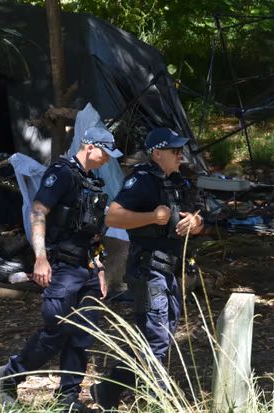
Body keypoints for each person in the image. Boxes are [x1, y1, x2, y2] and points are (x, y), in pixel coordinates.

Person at [0, 127, 123, 412]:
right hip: (62, 266)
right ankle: (10, 374)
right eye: (105, 153)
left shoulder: (92, 183)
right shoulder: (62, 174)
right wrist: (40, 258)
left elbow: (93, 232)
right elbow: (38, 211)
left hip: (88, 267)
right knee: (57, 330)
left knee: (83, 335)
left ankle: (67, 398)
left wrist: (100, 265)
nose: (107, 160)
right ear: (89, 146)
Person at [92, 127, 204, 410]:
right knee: (157, 337)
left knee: (156, 336)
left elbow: (200, 217)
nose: (180, 154)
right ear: (157, 153)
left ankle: (108, 390)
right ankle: (161, 402)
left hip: (173, 270)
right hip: (149, 269)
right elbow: (114, 217)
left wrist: (195, 223)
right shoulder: (141, 180)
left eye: (181, 149)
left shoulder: (179, 182)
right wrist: (151, 217)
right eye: (174, 150)